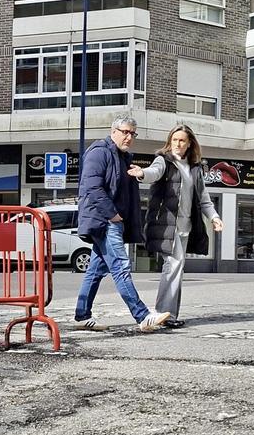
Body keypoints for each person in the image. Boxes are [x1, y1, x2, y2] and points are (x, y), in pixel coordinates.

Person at [74, 116, 172, 332]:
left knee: (96, 271)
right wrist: (113, 215)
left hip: (112, 220)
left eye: (132, 133)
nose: (129, 137)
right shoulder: (99, 151)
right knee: (120, 266)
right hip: (103, 220)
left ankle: (82, 315)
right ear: (113, 131)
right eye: (125, 132)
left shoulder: (123, 157)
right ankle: (143, 316)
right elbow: (92, 187)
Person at [127, 124, 223, 328]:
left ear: (189, 144)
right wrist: (142, 173)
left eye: (182, 140)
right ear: (170, 142)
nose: (178, 144)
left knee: (177, 269)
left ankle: (169, 314)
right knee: (174, 265)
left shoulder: (195, 168)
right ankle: (164, 314)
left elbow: (204, 199)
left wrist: (214, 217)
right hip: (165, 224)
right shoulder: (164, 160)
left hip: (185, 227)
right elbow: (155, 171)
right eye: (175, 140)